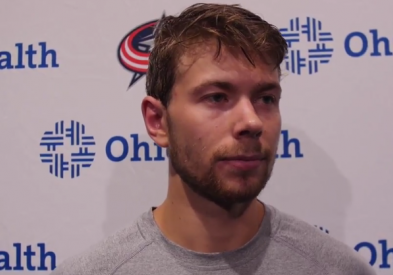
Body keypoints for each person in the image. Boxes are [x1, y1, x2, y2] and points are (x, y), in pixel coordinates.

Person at [51, 3, 376, 275]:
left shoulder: (336, 269)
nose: (251, 121)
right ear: (158, 121)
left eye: (266, 99)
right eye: (218, 97)